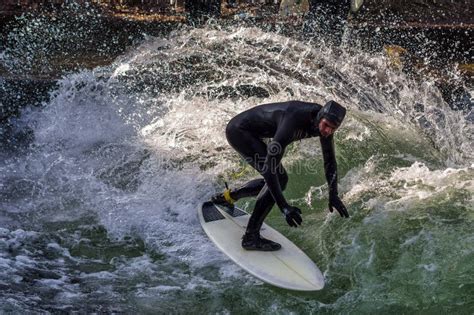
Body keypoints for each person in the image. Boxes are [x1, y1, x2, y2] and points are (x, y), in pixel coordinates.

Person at [212, 100, 349, 251]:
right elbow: (269, 170)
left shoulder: (324, 124)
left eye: (333, 128)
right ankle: (251, 237)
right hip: (239, 131)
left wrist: (334, 194)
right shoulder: (293, 120)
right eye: (326, 125)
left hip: (256, 134)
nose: (328, 131)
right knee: (279, 177)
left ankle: (228, 197)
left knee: (278, 179)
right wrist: (284, 207)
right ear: (319, 118)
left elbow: (329, 160)